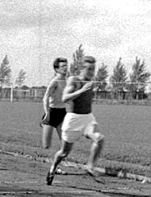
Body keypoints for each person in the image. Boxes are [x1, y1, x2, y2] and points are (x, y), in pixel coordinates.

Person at [46, 55, 104, 185]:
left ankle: (90, 166)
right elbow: (65, 98)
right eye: (89, 69)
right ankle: (53, 168)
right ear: (82, 69)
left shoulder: (90, 82)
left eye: (93, 69)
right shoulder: (74, 80)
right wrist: (82, 90)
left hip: (88, 118)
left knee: (99, 139)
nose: (92, 72)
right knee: (64, 153)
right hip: (73, 120)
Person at [41, 57, 68, 172]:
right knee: (46, 145)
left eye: (66, 66)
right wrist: (47, 112)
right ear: (56, 69)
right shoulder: (54, 82)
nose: (65, 68)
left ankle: (55, 166)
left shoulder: (68, 81)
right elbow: (45, 97)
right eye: (62, 66)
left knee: (65, 143)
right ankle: (49, 163)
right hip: (51, 113)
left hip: (62, 113)